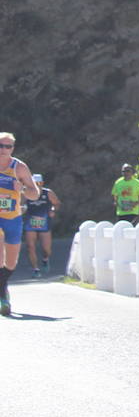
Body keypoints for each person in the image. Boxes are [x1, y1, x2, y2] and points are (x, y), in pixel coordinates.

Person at [0, 132, 42, 316]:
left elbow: (35, 194)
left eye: (7, 146)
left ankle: (3, 286)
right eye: (0, 145)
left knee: (11, 262)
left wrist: (22, 189)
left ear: (12, 149)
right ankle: (2, 297)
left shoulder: (20, 168)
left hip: (13, 218)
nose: (3, 149)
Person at [23, 172, 60, 276]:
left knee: (46, 249)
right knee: (30, 246)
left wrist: (53, 210)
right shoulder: (26, 193)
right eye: (35, 183)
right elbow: (20, 204)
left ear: (42, 183)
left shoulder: (48, 193)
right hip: (30, 222)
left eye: (39, 183)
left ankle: (45, 258)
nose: (37, 185)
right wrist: (21, 210)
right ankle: (35, 269)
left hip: (44, 222)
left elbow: (57, 204)